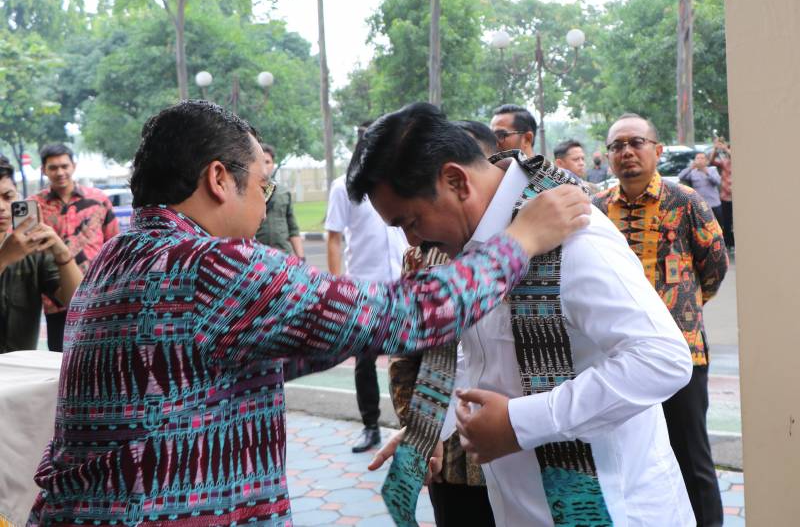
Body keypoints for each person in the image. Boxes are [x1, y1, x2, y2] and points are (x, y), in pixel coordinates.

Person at [26, 100, 590, 525]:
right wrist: (521, 240)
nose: (264, 201)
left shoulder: (118, 256)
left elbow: (258, 353)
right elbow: (403, 317)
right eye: (263, 185)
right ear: (219, 179)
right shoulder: (212, 266)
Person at [357, 103, 694, 526]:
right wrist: (430, 430)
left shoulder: (571, 234)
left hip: (616, 509)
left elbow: (663, 359)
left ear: (456, 181)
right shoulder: (473, 246)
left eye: (410, 221)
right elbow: (482, 356)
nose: (411, 240)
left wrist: (521, 422)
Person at [593, 113, 728, 527]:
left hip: (681, 352)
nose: (627, 152)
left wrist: (680, 309)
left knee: (692, 457)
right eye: (617, 146)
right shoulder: (596, 209)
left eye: (636, 143)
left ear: (657, 150)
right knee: (628, 457)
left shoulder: (686, 201)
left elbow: (714, 266)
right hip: (616, 357)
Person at [387, 120, 498, 526]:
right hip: (450, 458)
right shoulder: (423, 255)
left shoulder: (537, 240)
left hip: (522, 449)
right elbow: (405, 354)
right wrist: (417, 429)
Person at [325, 122, 409, 453]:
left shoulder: (402, 179)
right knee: (365, 360)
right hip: (364, 287)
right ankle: (370, 426)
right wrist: (338, 289)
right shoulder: (343, 187)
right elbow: (333, 237)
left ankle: (411, 427)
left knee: (410, 358)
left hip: (403, 281)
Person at [30, 143, 118, 352]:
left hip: (97, 295)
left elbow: (114, 244)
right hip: (56, 299)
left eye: (64, 166)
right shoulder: (35, 205)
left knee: (101, 355)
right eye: (53, 167)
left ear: (74, 166)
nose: (60, 172)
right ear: (43, 170)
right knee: (61, 359)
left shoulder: (98, 200)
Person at [0, 156, 82, 353]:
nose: (1, 207)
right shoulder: (16, 250)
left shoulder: (30, 250)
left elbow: (78, 303)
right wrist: (4, 259)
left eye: (8, 197)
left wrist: (62, 254)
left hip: (19, 368)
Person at [254, 143, 305, 259]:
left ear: (273, 165)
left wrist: (301, 257)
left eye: (267, 162)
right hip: (258, 255)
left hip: (283, 254)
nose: (264, 166)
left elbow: (293, 228)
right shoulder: (248, 193)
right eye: (261, 162)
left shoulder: (283, 192)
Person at [678, 152, 723, 222]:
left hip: (714, 203)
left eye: (702, 158)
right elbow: (681, 176)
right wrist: (690, 168)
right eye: (698, 158)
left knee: (718, 224)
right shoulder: (692, 172)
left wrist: (706, 172)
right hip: (701, 204)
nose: (700, 160)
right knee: (705, 225)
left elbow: (718, 182)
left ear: (706, 161)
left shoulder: (712, 170)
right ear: (695, 161)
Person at [709, 137, 734, 249]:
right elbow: (711, 161)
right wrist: (715, 148)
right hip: (725, 197)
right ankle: (728, 243)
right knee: (726, 222)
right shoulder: (725, 162)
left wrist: (725, 148)